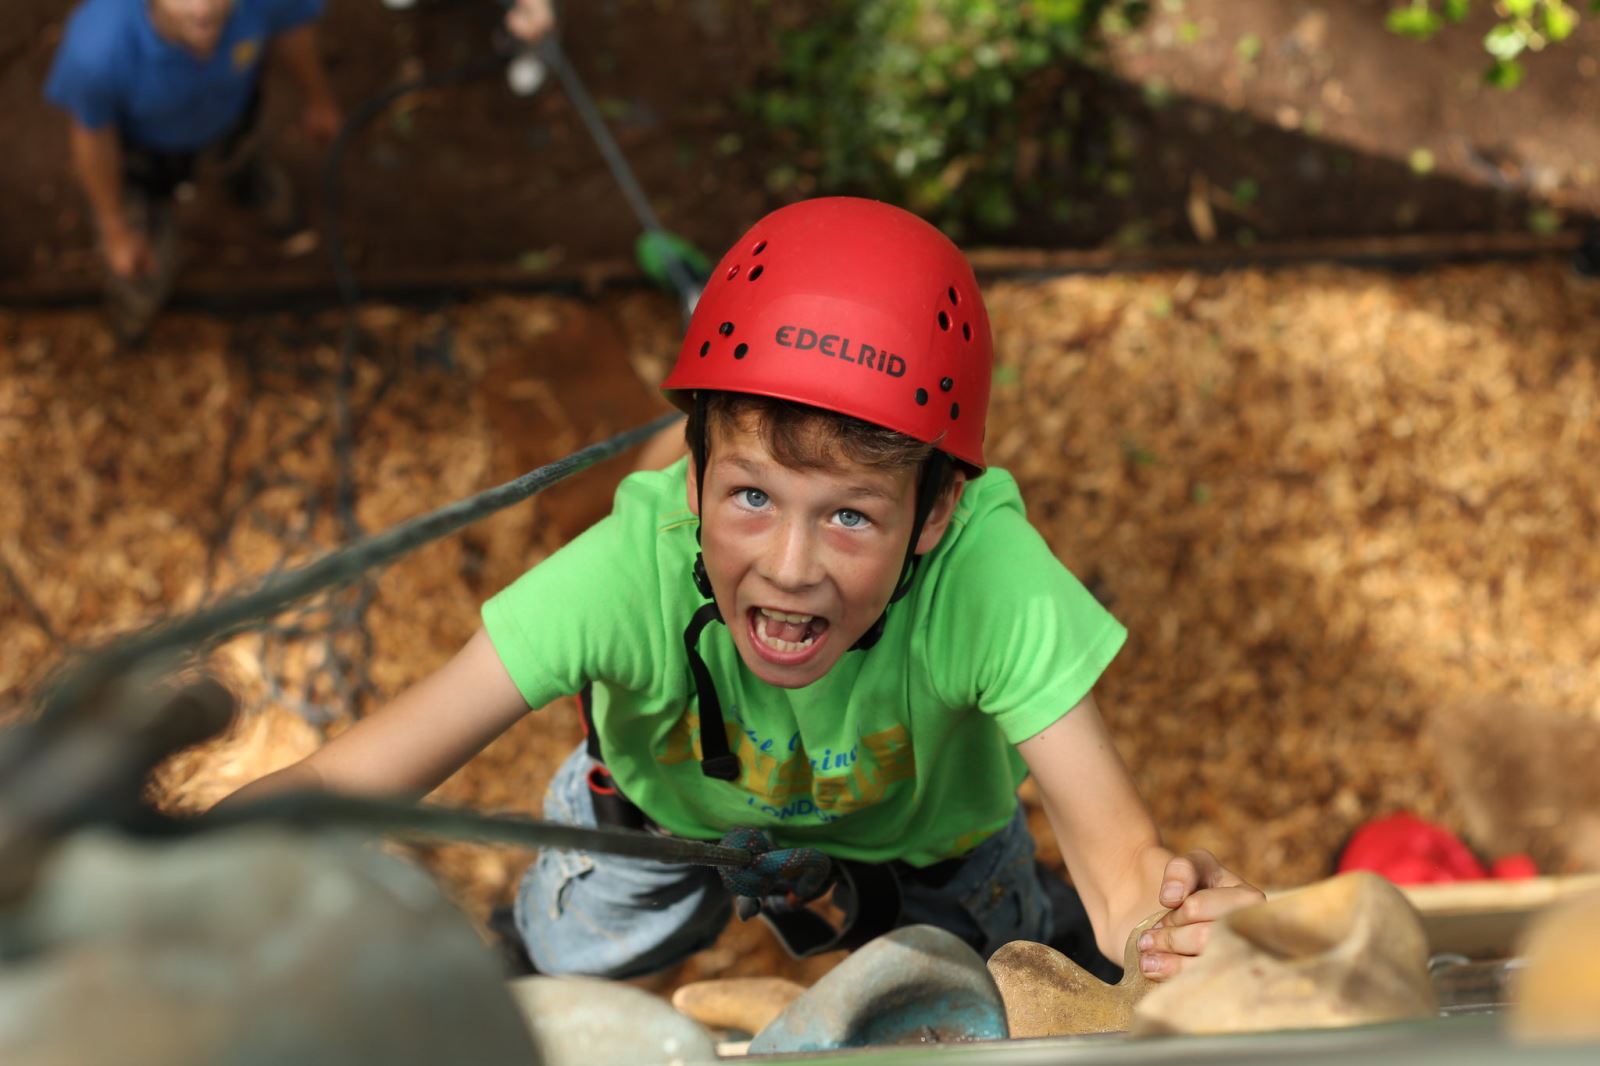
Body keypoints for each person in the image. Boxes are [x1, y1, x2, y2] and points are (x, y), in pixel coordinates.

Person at [222, 197, 1263, 983]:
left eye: (850, 514)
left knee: (991, 992)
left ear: (934, 514)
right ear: (692, 470)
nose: (790, 566)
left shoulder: (986, 576)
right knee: (564, 965)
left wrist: (1167, 936)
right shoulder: (626, 572)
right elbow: (353, 779)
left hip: (926, 844)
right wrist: (165, 869)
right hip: (661, 814)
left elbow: (1122, 860)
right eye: (751, 495)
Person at [44, 0, 340, 345]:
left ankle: (244, 178)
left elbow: (293, 31)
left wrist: (319, 99)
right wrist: (115, 230)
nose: (201, 11)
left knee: (240, 153)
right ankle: (135, 310)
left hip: (230, 120)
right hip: (144, 154)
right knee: (138, 258)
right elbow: (94, 143)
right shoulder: (97, 48)